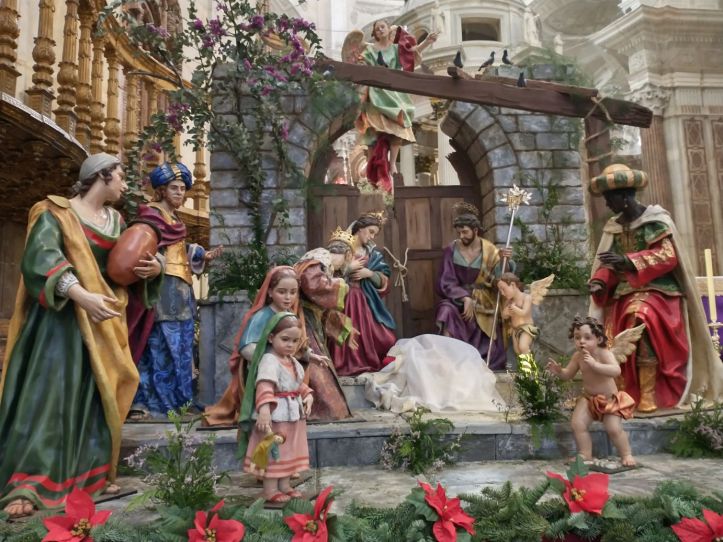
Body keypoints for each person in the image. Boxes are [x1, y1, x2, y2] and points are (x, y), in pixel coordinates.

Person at [0, 153, 162, 517]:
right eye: (121, 177)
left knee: (94, 400)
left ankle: (91, 476)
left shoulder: (116, 221)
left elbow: (123, 268)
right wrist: (82, 296)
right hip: (59, 326)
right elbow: (40, 260)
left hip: (102, 327)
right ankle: (31, 482)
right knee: (50, 398)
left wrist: (155, 268)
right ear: (102, 176)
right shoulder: (55, 213)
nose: (125, 185)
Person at [588, 164, 723, 412]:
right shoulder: (614, 228)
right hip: (624, 292)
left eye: (610, 198)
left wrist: (628, 261)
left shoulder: (654, 221)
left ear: (625, 197)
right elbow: (608, 263)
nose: (607, 204)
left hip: (660, 291)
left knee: (641, 316)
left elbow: (667, 256)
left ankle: (649, 394)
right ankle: (627, 391)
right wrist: (600, 281)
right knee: (613, 333)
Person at [129, 162, 222, 417]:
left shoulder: (174, 218)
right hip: (162, 289)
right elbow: (143, 248)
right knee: (160, 344)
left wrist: (201, 254)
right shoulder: (151, 215)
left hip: (181, 288)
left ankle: (180, 400)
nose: (180, 193)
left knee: (182, 346)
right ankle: (154, 403)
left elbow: (178, 249)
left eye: (182, 189)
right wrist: (156, 265)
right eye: (174, 188)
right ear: (161, 190)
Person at [203, 266, 302, 427]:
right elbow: (246, 347)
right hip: (262, 369)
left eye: (293, 292)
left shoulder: (290, 315)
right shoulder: (262, 316)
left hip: (285, 367)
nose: (288, 297)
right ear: (270, 292)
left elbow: (297, 341)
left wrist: (307, 354)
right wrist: (270, 359)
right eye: (282, 292)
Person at [353, 20, 438, 192]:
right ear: (375, 33)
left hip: (394, 92)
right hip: (376, 94)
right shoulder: (370, 50)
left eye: (382, 27)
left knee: (400, 123)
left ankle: (392, 164)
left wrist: (427, 42)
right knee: (372, 131)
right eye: (377, 29)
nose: (380, 30)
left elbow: (412, 53)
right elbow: (360, 65)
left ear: (388, 30)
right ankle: (372, 165)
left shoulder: (395, 49)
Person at [239, 313, 312, 503]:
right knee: (273, 451)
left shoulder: (292, 361)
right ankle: (270, 490)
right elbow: (264, 386)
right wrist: (264, 411)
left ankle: (285, 485)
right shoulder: (269, 360)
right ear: (271, 337)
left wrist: (307, 395)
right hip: (275, 414)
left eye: (295, 341)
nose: (290, 345)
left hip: (292, 414)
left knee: (288, 449)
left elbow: (296, 384)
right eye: (285, 339)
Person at [546, 316, 636, 467]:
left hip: (609, 400)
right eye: (577, 337)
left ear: (599, 339)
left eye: (587, 338)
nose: (581, 341)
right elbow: (568, 375)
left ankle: (626, 454)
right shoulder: (578, 357)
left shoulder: (604, 354)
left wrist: (595, 364)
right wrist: (559, 371)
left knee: (614, 429)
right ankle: (585, 454)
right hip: (588, 398)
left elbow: (616, 370)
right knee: (578, 424)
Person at [435, 202, 513, 369]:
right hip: (457, 298)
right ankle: (448, 359)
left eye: (465, 232)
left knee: (487, 317)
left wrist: (504, 261)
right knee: (446, 310)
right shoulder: (451, 250)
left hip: (484, 299)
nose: (461, 236)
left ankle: (483, 360)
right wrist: (464, 297)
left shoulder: (490, 251)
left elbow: (500, 279)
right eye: (459, 232)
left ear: (475, 230)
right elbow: (445, 280)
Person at [294, 230, 358, 421]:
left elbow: (322, 310)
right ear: (348, 255)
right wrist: (342, 284)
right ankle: (316, 411)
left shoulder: (324, 266)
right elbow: (312, 285)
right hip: (302, 325)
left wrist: (346, 329)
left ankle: (322, 410)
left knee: (319, 371)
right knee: (317, 373)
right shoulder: (317, 259)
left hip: (310, 322)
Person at [361, 334, 506, 413]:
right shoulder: (410, 353)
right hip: (430, 357)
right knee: (425, 364)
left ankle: (445, 367)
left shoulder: (412, 350)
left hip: (444, 357)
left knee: (446, 366)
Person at [330, 212, 396, 376]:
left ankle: (366, 361)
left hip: (364, 300)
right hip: (342, 299)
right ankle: (345, 363)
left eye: (375, 234)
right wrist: (348, 268)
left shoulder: (373, 254)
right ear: (360, 228)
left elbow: (384, 279)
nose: (372, 237)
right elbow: (327, 273)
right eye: (371, 232)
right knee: (344, 331)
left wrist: (370, 274)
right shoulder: (340, 248)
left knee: (385, 338)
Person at [498, 272, 554, 356]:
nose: (502, 293)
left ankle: (530, 365)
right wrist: (505, 313)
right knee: (517, 351)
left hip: (526, 328)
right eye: (501, 291)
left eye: (503, 289)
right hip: (515, 329)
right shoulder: (509, 301)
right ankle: (524, 364)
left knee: (523, 346)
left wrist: (514, 308)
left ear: (512, 285)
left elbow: (524, 312)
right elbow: (504, 316)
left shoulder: (526, 297)